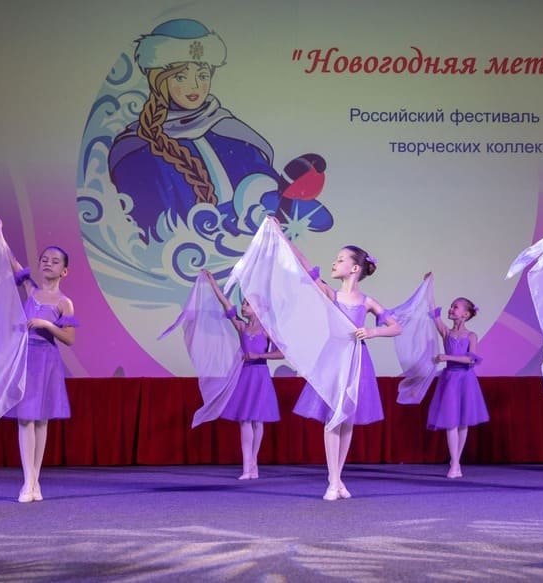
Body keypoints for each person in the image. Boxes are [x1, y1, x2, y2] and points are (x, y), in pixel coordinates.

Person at [108, 18, 331, 248]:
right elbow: (151, 234)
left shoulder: (233, 135)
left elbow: (277, 202)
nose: (195, 86)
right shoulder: (136, 153)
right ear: (158, 81)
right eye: (181, 77)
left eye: (202, 75)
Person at [287, 237, 402, 500]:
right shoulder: (332, 294)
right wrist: (283, 238)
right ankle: (333, 481)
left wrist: (372, 331)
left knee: (347, 418)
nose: (334, 263)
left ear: (355, 269)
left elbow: (396, 327)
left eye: (340, 260)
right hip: (332, 361)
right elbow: (305, 266)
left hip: (356, 361)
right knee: (333, 417)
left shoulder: (367, 302)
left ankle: (337, 479)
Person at [5, 247, 77, 503]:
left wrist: (46, 324)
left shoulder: (64, 302)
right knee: (25, 419)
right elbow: (14, 263)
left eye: (55, 261)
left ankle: (34, 480)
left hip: (47, 360)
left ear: (64, 271)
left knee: (41, 420)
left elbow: (69, 338)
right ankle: (28, 482)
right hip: (27, 359)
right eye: (44, 260)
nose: (48, 263)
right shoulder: (31, 289)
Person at [201, 269, 283, 479]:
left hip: (260, 375)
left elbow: (281, 353)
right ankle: (247, 467)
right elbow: (226, 304)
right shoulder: (241, 327)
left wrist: (258, 354)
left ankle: (253, 463)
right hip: (244, 376)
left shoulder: (267, 330)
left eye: (247, 303)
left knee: (258, 420)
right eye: (244, 303)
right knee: (245, 420)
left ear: (257, 308)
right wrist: (213, 284)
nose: (243, 306)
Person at [423, 274, 489, 478]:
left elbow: (471, 359)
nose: (451, 309)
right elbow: (432, 310)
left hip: (466, 380)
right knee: (450, 421)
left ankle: (456, 462)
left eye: (455, 307)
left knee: (463, 422)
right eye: (451, 306)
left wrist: (446, 357)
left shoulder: (471, 336)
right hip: (450, 380)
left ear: (466, 314)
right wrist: (428, 286)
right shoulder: (446, 332)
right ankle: (455, 463)